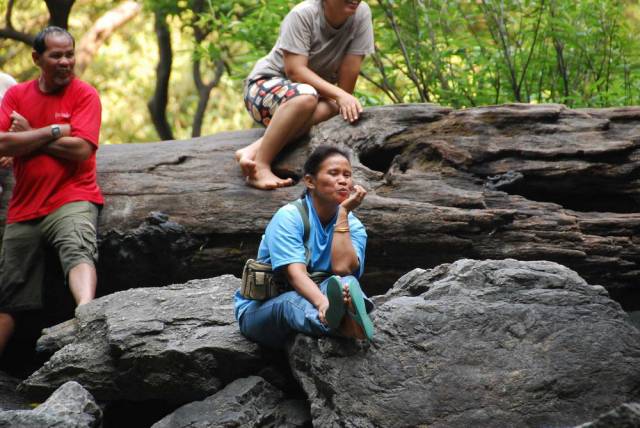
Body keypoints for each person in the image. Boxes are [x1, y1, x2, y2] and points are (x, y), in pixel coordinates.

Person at [0, 26, 103, 354]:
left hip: (72, 196)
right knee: (8, 292)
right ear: (37, 58)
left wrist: (28, 137)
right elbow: (2, 142)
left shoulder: (85, 94)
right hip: (24, 208)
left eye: (69, 54)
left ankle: (86, 314)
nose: (65, 62)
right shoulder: (16, 96)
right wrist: (53, 131)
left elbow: (81, 150)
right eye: (56, 55)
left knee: (78, 250)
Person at [235, 145, 374, 349]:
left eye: (347, 175)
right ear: (310, 181)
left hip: (320, 293)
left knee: (347, 281)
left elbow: (343, 268)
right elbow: (295, 275)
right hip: (264, 309)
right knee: (291, 302)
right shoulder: (289, 217)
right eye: (333, 173)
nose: (343, 180)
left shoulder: (354, 225)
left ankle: (346, 316)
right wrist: (322, 303)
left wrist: (343, 214)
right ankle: (344, 323)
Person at [235, 0, 374, 190]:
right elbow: (295, 71)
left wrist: (342, 98)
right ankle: (259, 166)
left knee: (335, 107)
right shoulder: (303, 14)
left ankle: (251, 150)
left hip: (310, 98)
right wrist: (339, 95)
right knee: (307, 96)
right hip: (263, 88)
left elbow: (347, 79)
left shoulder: (361, 14)